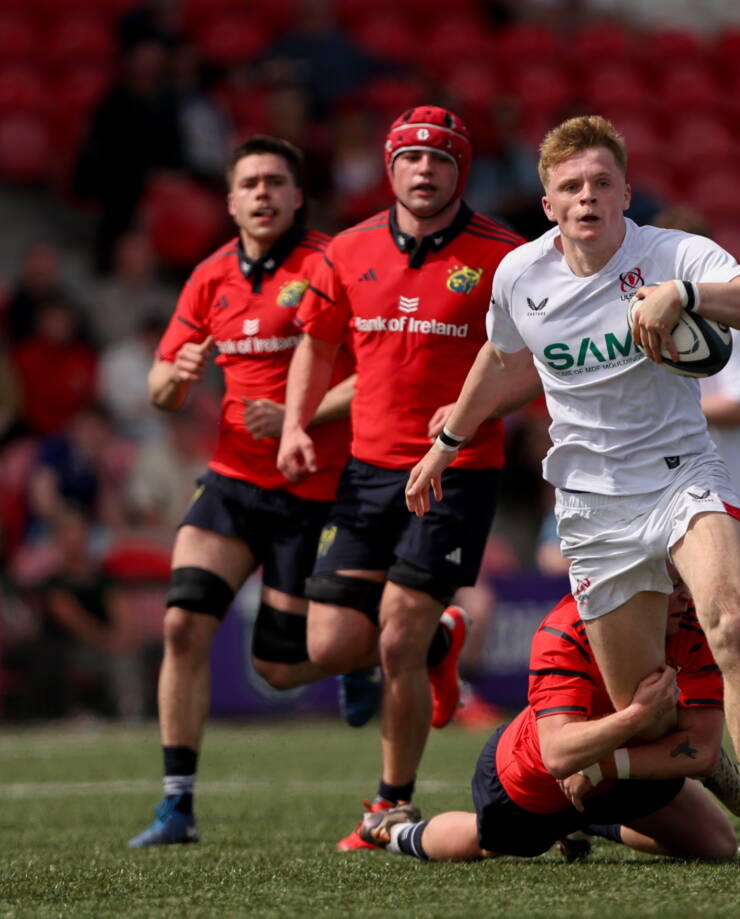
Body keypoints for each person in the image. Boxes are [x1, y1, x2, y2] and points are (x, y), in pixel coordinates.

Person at [405, 114, 740, 869]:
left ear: (625, 192)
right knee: (645, 709)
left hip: (682, 471)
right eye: (569, 186)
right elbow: (499, 355)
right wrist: (447, 442)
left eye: (601, 182)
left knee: (735, 624)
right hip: (591, 507)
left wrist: (684, 294)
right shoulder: (520, 273)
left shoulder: (669, 251)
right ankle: (697, 786)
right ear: (549, 204)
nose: (587, 197)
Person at [277, 105, 525, 850]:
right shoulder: (346, 250)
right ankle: (442, 644)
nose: (426, 171)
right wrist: (296, 423)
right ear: (390, 168)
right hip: (366, 472)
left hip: (457, 470)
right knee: (325, 646)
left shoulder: (506, 256)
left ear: (461, 172)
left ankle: (388, 803)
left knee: (395, 637)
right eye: (412, 158)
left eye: (441, 159)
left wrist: (474, 411)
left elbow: (535, 363)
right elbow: (317, 348)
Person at [128, 135, 355, 848]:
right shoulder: (209, 276)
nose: (261, 192)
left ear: (296, 195)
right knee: (181, 624)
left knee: (279, 666)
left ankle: (377, 650)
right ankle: (176, 805)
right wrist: (180, 372)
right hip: (230, 482)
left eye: (274, 181)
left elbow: (376, 376)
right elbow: (159, 390)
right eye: (248, 183)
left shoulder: (331, 264)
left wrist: (297, 415)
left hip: (311, 487)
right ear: (229, 201)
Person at [355, 582, 740, 863]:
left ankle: (592, 823)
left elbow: (702, 752)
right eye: (669, 579)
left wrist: (600, 766)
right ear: (633, 581)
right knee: (485, 844)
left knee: (717, 846)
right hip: (533, 778)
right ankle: (394, 828)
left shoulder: (691, 623)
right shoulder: (568, 625)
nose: (684, 592)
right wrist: (637, 715)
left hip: (622, 769)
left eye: (684, 577)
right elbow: (558, 755)